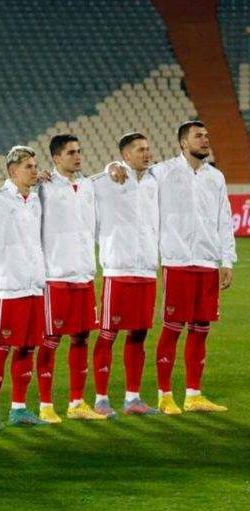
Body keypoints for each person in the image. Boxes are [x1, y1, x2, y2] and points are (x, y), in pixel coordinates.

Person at [111, 121, 236, 413]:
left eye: (207, 135)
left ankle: (193, 395)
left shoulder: (215, 177)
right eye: (198, 136)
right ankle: (165, 395)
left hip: (207, 262)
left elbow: (224, 219)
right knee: (172, 329)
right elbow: (130, 170)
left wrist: (226, 260)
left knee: (201, 329)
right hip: (177, 262)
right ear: (183, 143)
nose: (205, 140)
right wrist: (112, 167)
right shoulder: (162, 172)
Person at [35, 134, 104, 423]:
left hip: (83, 274)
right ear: (56, 158)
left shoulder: (88, 186)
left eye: (79, 151)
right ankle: (46, 405)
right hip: (56, 276)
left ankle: (77, 402)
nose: (78, 156)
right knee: (50, 340)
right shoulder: (44, 187)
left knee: (82, 338)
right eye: (71, 152)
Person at [92, 133, 160, 417]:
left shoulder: (154, 182)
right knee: (108, 333)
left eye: (148, 148)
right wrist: (110, 167)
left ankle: (133, 398)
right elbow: (84, 184)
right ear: (126, 155)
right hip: (118, 269)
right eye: (140, 150)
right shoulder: (110, 179)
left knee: (139, 334)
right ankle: (100, 399)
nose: (147, 153)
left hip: (146, 269)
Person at [0, 145, 48, 426]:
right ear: (12, 171)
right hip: (8, 287)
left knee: (28, 348)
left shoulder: (35, 201)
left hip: (34, 286)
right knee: (2, 348)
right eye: (29, 167)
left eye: (35, 166)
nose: (34, 171)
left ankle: (19, 408)